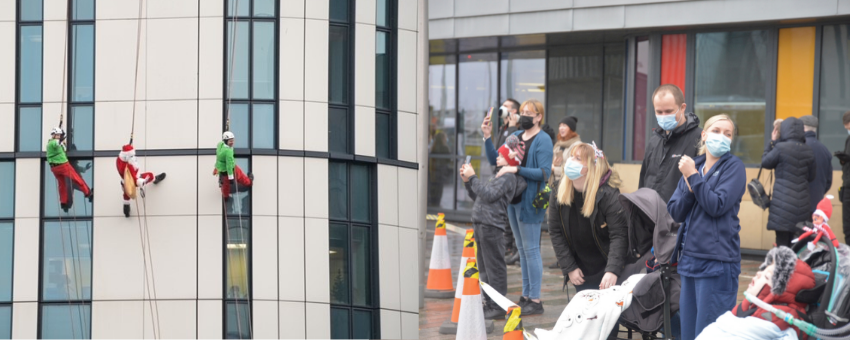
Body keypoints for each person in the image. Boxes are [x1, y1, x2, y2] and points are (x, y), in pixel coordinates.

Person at [667, 114, 747, 340]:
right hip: (689, 261)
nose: (722, 136)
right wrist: (693, 183)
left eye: (728, 134)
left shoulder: (734, 167)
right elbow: (675, 210)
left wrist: (693, 178)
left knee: (710, 333)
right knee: (689, 333)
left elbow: (717, 205)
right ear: (704, 135)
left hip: (717, 263)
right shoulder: (696, 164)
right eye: (716, 130)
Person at [481, 98, 553, 315]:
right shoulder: (515, 136)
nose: (524, 116)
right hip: (513, 200)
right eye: (523, 112)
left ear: (539, 116)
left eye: (530, 113)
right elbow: (496, 160)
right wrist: (487, 136)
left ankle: (535, 300)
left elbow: (543, 173)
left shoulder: (544, 140)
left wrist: (516, 169)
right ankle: (525, 295)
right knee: (522, 250)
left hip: (531, 201)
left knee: (531, 250)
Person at [548, 142, 627, 295]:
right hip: (581, 271)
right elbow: (555, 231)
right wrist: (569, 267)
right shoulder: (558, 191)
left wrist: (613, 270)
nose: (571, 161)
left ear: (592, 167)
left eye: (578, 158)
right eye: (571, 157)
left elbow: (619, 235)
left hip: (607, 267)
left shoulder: (609, 195)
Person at [460, 144, 527, 320]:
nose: (497, 157)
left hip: (492, 225)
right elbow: (479, 196)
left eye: (501, 155)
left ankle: (497, 305)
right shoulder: (498, 176)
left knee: (494, 268)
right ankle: (489, 303)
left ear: (511, 159)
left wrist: (473, 177)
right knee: (484, 268)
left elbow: (489, 195)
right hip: (482, 224)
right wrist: (468, 182)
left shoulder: (508, 178)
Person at [696, 247, 816, 340]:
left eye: (766, 276)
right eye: (762, 270)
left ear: (777, 292)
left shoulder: (784, 324)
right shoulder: (747, 310)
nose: (758, 274)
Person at [639, 84, 702, 203]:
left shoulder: (699, 139)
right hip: (650, 215)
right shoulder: (654, 140)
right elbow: (644, 180)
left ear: (682, 107)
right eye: (659, 112)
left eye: (668, 111)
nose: (663, 116)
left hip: (680, 218)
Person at [762, 117, 816, 247]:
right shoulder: (808, 150)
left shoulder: (780, 148)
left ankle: (782, 267)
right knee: (796, 243)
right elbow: (811, 177)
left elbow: (765, 163)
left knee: (782, 243)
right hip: (801, 204)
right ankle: (795, 267)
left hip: (782, 204)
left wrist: (772, 142)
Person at [494, 99, 521, 264]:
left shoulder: (516, 129)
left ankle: (514, 249)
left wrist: (512, 125)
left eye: (507, 107)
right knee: (503, 215)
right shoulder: (503, 128)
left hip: (511, 177)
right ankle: (507, 247)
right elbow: (497, 152)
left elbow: (512, 147)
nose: (503, 109)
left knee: (511, 215)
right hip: (500, 174)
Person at [47, 127, 93, 212]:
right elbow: (57, 143)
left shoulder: (52, 145)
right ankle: (88, 193)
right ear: (55, 135)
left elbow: (61, 146)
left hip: (55, 168)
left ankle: (64, 203)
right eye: (58, 135)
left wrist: (85, 168)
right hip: (63, 165)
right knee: (77, 179)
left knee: (62, 185)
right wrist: (62, 138)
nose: (59, 137)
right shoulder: (53, 142)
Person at [116, 144, 166, 217]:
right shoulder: (128, 166)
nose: (133, 157)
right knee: (150, 175)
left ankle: (126, 208)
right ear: (127, 156)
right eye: (132, 156)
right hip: (133, 181)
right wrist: (141, 182)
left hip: (124, 182)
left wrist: (128, 147)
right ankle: (155, 179)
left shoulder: (119, 159)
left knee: (126, 195)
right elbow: (134, 179)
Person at [800, 115, 833, 213]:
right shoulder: (824, 150)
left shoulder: (798, 147)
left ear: (802, 128)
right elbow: (828, 181)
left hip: (799, 206)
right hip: (817, 206)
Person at [215, 131, 253, 199]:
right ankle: (249, 182)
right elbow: (229, 166)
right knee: (241, 176)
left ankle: (225, 196)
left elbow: (218, 157)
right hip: (231, 169)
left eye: (233, 140)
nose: (232, 142)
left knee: (225, 185)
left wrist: (217, 168)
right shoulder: (228, 152)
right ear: (226, 141)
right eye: (230, 141)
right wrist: (231, 178)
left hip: (222, 169)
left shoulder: (220, 145)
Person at [550, 116, 582, 186]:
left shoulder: (577, 146)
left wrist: (554, 169)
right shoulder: (558, 144)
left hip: (568, 185)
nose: (561, 128)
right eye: (560, 126)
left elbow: (574, 169)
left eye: (564, 125)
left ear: (571, 129)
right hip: (555, 184)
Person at [835, 111, 850, 245]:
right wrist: (843, 160)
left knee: (848, 225)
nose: (848, 131)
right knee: (847, 225)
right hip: (847, 185)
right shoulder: (848, 140)